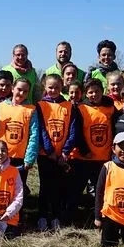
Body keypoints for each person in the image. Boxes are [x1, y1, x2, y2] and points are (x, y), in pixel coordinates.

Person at [68, 78, 117, 218]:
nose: (94, 94)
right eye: (90, 92)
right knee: (76, 188)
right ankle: (70, 215)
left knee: (100, 189)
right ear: (85, 94)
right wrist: (84, 150)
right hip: (84, 157)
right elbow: (76, 132)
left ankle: (101, 216)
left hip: (103, 157)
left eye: (97, 91)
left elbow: (114, 129)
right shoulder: (81, 108)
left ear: (103, 92)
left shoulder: (110, 108)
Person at [0, 77, 40, 193]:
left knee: (17, 189)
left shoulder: (31, 110)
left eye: (25, 91)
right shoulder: (1, 107)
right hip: (1, 156)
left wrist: (29, 158)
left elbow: (34, 136)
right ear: (13, 89)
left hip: (20, 159)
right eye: (19, 89)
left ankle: (17, 211)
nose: (21, 93)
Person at [35, 74, 75, 231]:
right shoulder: (40, 106)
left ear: (62, 87)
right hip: (45, 155)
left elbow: (73, 129)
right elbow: (41, 129)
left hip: (62, 156)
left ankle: (56, 216)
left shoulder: (69, 106)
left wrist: (65, 151)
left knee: (59, 187)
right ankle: (42, 216)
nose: (53, 90)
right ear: (45, 87)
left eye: (56, 87)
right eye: (50, 87)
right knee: (45, 186)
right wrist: (49, 150)